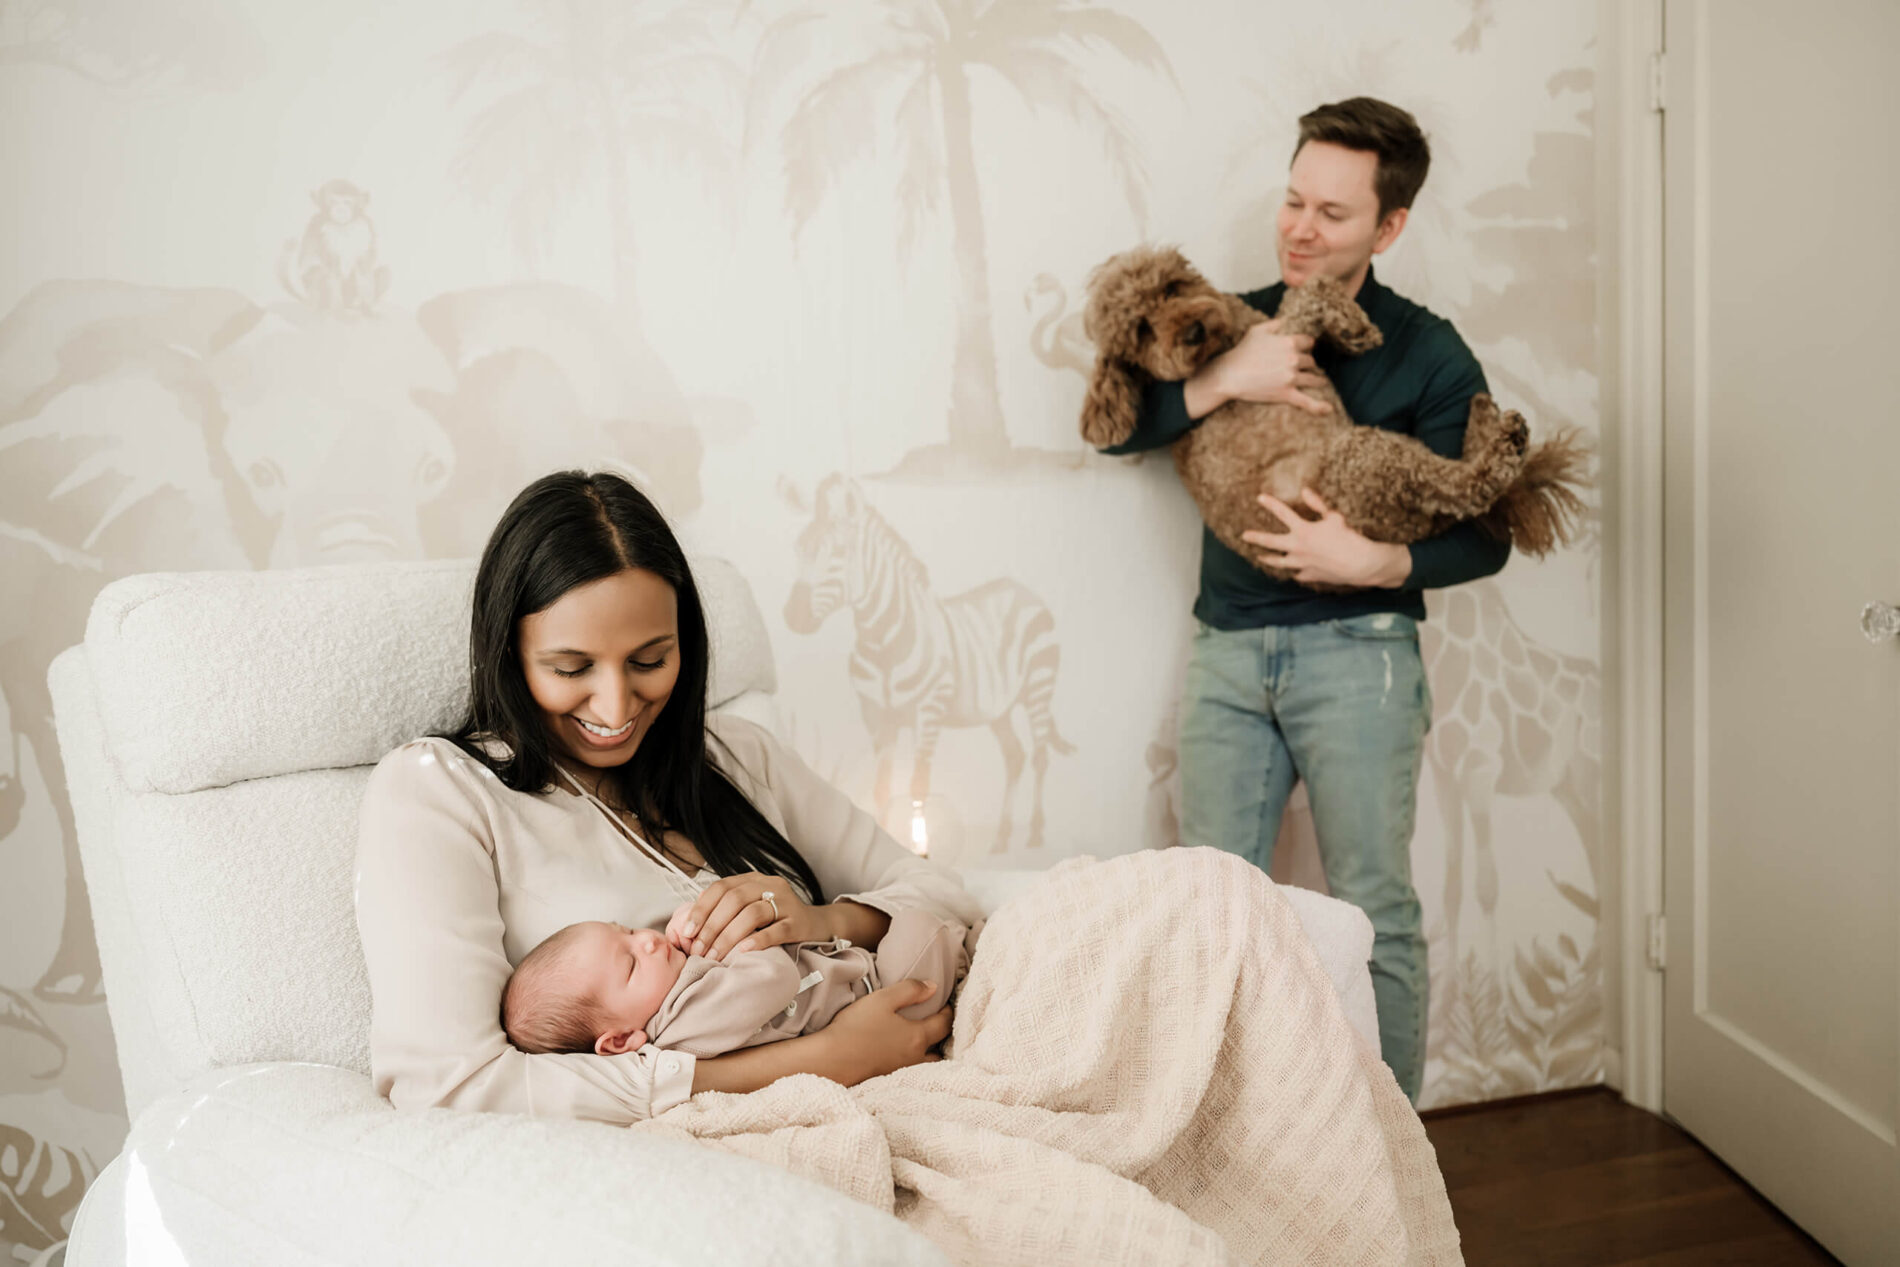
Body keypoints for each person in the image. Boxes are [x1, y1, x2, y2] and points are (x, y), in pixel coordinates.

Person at [1095, 97, 1509, 1102]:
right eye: (1292, 201)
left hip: (1359, 653)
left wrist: (1373, 564)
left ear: (1389, 227)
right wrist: (1222, 377)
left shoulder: (1429, 353)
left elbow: (1490, 529)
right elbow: (1116, 428)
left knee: (1373, 906)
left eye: (1331, 213)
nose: (1299, 229)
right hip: (1226, 651)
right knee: (1210, 900)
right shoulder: (1227, 319)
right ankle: (1215, 1135)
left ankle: (1393, 1144)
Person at [355, 470, 983, 1122]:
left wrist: (819, 919)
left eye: (650, 660)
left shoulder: (739, 755)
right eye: (571, 669)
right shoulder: (438, 790)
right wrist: (827, 1059)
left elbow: (943, 892)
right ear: (510, 654)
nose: (616, 704)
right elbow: (450, 1085)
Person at [501, 904, 971, 1058]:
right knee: (921, 927)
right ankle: (959, 953)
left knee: (917, 924)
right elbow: (773, 977)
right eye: (629, 965)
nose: (646, 942)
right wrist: (713, 943)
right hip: (880, 1000)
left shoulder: (671, 985)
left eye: (626, 933)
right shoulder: (688, 1021)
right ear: (622, 1038)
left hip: (851, 973)